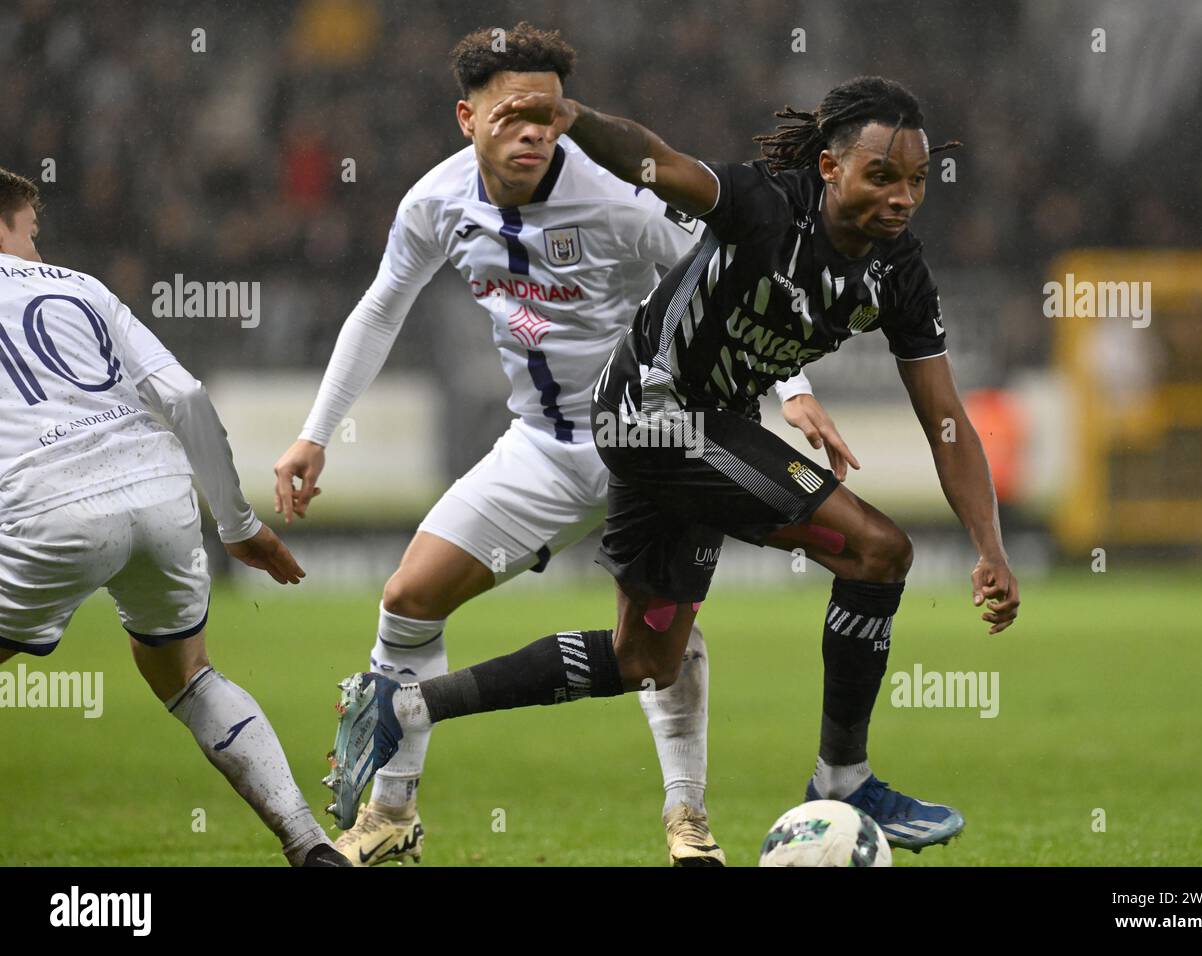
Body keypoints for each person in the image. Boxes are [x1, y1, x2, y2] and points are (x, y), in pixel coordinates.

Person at [328, 73, 1020, 856]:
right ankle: (843, 779)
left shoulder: (899, 273)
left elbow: (948, 420)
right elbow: (656, 163)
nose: (903, 198)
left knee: (645, 658)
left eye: (917, 181)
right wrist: (577, 118)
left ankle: (409, 705)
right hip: (652, 415)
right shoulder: (764, 205)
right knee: (879, 549)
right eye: (883, 176)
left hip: (703, 432)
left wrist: (990, 547)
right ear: (831, 168)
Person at [277, 22, 852, 867]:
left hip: (656, 435)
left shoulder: (618, 196)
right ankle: (392, 814)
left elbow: (729, 277)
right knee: (407, 600)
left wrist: (792, 391)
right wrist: (313, 436)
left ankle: (687, 824)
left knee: (657, 636)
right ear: (465, 116)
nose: (533, 132)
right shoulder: (435, 203)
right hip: (544, 446)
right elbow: (380, 308)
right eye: (512, 114)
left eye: (547, 114)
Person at [0, 168, 348, 867]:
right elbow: (186, 395)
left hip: (47, 504)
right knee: (187, 674)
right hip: (159, 490)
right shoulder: (84, 288)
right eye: (30, 232)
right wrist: (238, 524)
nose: (37, 250)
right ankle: (310, 844)